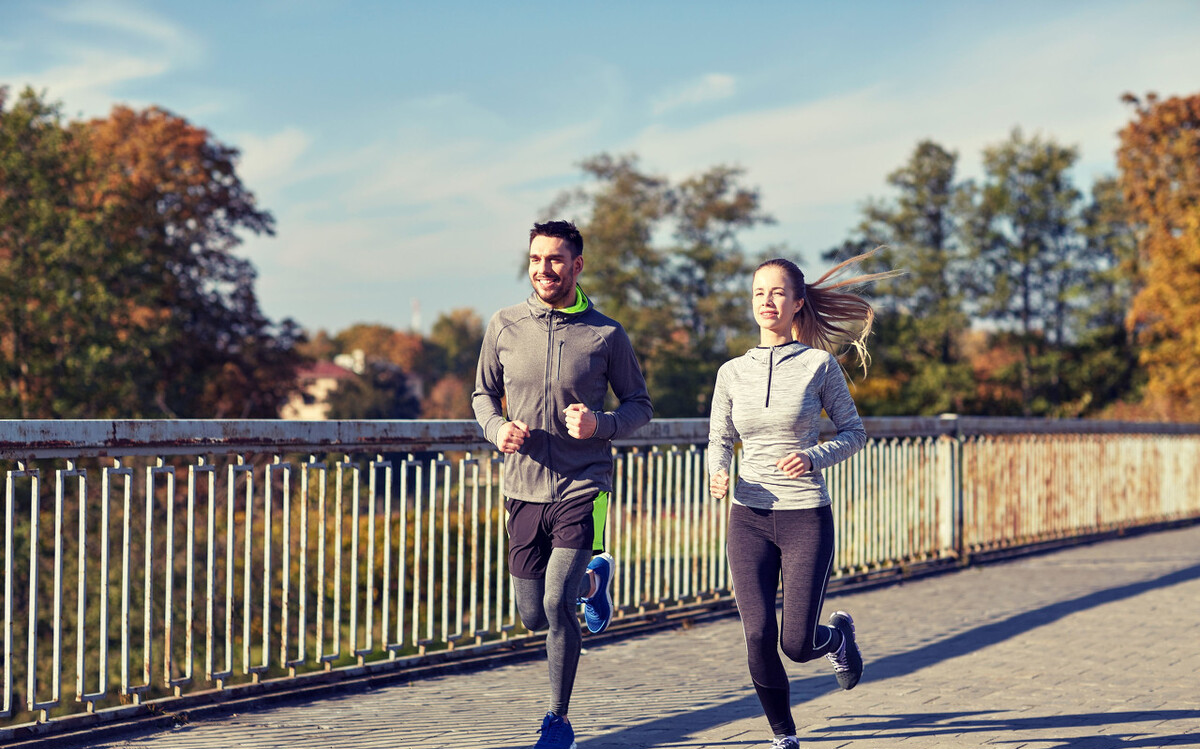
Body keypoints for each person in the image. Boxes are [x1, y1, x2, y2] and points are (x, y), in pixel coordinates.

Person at [473, 219, 653, 749]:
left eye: (555, 260)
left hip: (583, 484)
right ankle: (596, 583)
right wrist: (497, 428)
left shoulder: (605, 333)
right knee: (531, 614)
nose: (543, 269)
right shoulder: (504, 325)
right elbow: (483, 394)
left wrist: (602, 425)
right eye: (535, 259)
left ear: (577, 265)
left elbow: (639, 405)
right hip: (523, 486)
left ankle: (558, 720)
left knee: (556, 606)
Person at [708, 253, 894, 749]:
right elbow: (719, 438)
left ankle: (835, 639)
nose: (766, 301)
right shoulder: (731, 372)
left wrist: (813, 457)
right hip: (747, 517)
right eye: (758, 293)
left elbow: (855, 433)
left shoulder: (819, 365)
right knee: (756, 636)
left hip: (804, 516)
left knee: (796, 643)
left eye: (776, 293)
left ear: (796, 303)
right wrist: (719, 472)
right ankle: (784, 736)